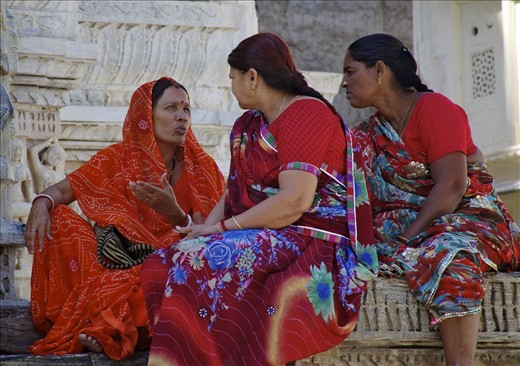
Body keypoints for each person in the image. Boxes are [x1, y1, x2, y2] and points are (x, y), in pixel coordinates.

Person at [140, 32, 378, 366]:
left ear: (252, 77)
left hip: (310, 239)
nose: (231, 86)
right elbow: (233, 191)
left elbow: (295, 201)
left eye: (233, 78)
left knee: (202, 262)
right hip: (266, 234)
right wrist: (204, 230)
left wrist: (220, 230)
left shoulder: (305, 114)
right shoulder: (248, 124)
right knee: (160, 264)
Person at [342, 33, 520, 366]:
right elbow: (355, 199)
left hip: (468, 217)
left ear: (379, 70)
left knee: (448, 252)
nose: (343, 82)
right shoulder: (364, 135)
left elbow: (452, 186)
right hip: (409, 225)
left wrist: (406, 241)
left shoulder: (435, 109)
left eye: (351, 71)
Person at [23, 77, 225, 360]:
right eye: (171, 108)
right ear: (145, 117)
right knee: (60, 220)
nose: (182, 116)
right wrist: (41, 203)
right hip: (115, 259)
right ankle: (106, 325)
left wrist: (173, 212)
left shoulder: (201, 168)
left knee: (170, 270)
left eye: (186, 109)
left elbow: (205, 236)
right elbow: (62, 190)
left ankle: (107, 327)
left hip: (166, 262)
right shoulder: (118, 158)